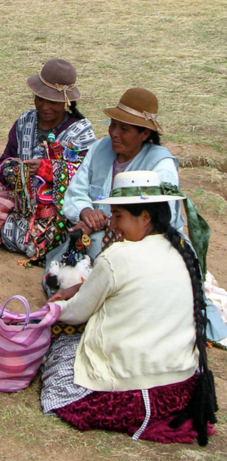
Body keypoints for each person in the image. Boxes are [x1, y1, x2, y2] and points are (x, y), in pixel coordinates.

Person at [41, 171, 217, 446]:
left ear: (145, 218)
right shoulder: (181, 250)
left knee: (61, 350)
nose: (112, 224)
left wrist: (51, 312)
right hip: (179, 390)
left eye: (118, 216)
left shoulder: (119, 255)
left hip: (131, 397)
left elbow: (76, 313)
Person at [49, 86, 227, 343]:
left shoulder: (161, 165)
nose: (114, 133)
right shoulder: (101, 149)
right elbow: (76, 193)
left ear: (145, 133)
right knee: (79, 251)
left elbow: (164, 222)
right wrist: (87, 211)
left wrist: (113, 227)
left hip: (146, 241)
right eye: (113, 125)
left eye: (124, 129)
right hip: (101, 233)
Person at [0, 59, 96, 258]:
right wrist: (16, 172)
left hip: (59, 213)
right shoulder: (24, 122)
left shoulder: (80, 132)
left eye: (53, 102)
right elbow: (2, 165)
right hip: (22, 209)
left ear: (66, 102)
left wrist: (47, 169)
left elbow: (88, 177)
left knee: (57, 239)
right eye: (40, 98)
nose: (44, 106)